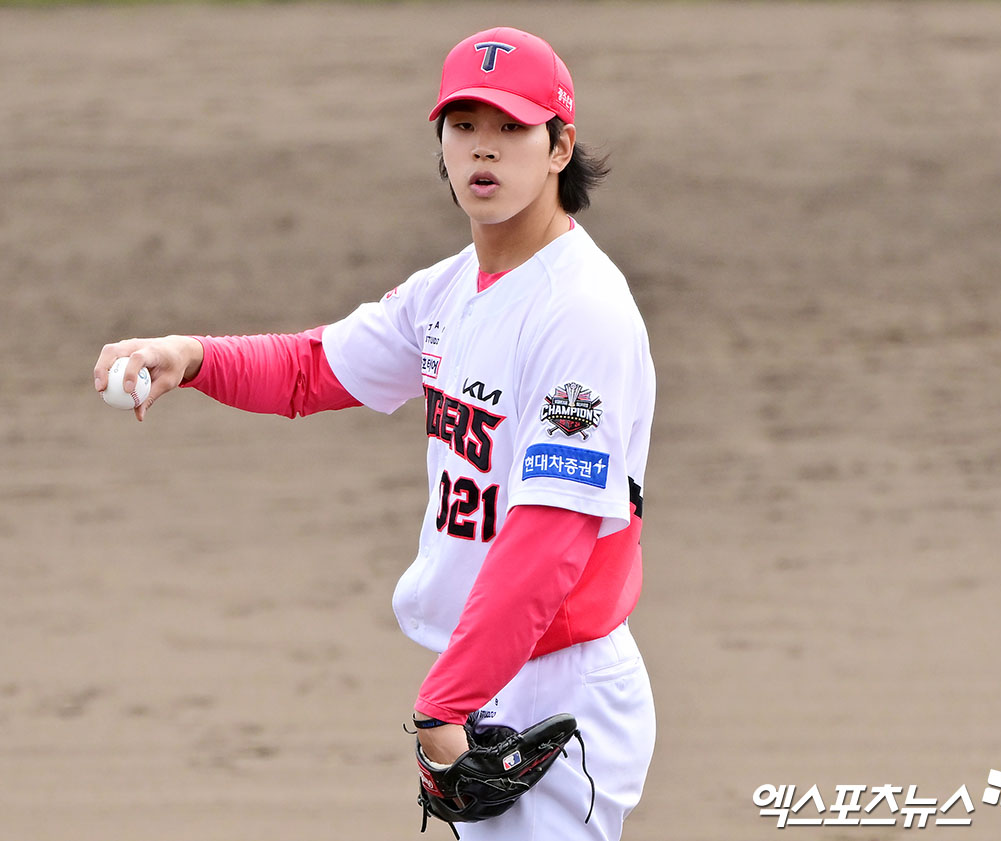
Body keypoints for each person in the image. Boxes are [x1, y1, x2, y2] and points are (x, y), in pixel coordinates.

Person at [93, 27, 656, 840]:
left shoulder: (581, 313)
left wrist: (445, 702)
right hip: (487, 672)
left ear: (559, 147)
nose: (483, 148)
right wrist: (191, 356)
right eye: (464, 125)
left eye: (512, 127)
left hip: (558, 689)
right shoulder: (451, 290)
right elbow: (313, 368)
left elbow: (551, 533)